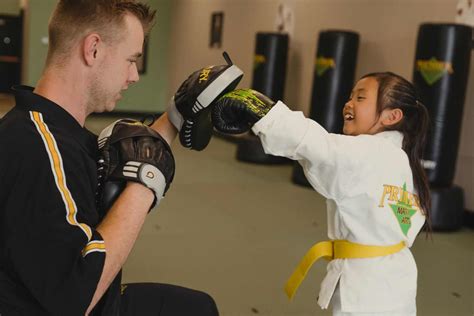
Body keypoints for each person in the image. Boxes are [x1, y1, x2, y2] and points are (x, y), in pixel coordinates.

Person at [0, 0, 240, 315]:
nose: (134, 75)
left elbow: (108, 184)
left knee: (197, 306)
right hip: (66, 304)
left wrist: (174, 118)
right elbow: (76, 297)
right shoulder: (38, 149)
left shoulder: (53, 129)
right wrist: (146, 182)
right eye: (131, 60)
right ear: (94, 49)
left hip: (67, 294)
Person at [212, 72, 431, 315]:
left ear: (392, 116)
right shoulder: (398, 158)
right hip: (393, 282)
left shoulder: (369, 153)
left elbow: (321, 147)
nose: (348, 103)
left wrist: (266, 114)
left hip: (367, 293)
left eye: (360, 97)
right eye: (349, 96)